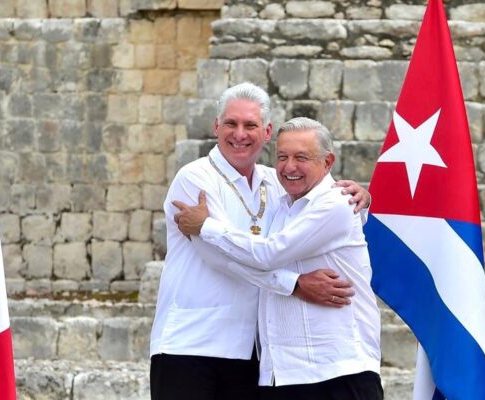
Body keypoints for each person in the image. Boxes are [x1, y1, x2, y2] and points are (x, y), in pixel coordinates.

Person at [149, 82, 371, 400]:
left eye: (250, 125)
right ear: (216, 127)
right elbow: (221, 259)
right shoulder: (194, 178)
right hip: (190, 344)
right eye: (231, 123)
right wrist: (294, 284)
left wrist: (359, 199)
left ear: (266, 132)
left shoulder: (276, 181)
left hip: (251, 350)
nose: (240, 134)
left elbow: (316, 211)